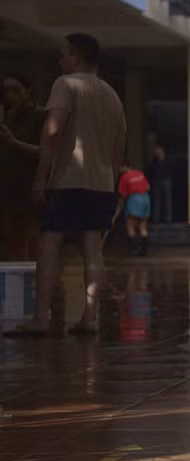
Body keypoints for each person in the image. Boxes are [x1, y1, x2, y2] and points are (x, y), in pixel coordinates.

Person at [4, 33, 126, 338]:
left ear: (75, 56)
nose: (60, 60)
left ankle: (41, 318)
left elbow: (53, 131)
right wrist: (111, 187)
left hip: (68, 180)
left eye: (63, 54)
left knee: (48, 245)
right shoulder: (112, 94)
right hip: (101, 184)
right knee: (92, 250)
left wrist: (41, 177)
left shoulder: (65, 84)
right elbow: (118, 148)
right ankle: (90, 317)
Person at [0, 74, 46, 262]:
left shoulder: (40, 116)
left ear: (27, 91)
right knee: (12, 237)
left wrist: (14, 143)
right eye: (6, 91)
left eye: (15, 90)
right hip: (8, 185)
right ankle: (18, 286)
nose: (11, 95)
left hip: (30, 184)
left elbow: (46, 152)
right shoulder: (7, 117)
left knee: (34, 237)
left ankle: (43, 284)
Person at [117, 160, 152, 256]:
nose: (119, 170)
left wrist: (120, 206)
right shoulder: (140, 173)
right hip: (145, 199)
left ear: (124, 166)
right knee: (142, 228)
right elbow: (148, 187)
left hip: (134, 199)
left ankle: (132, 251)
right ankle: (144, 251)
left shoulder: (124, 177)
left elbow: (123, 195)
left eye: (120, 167)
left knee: (130, 227)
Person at [147, 143, 173, 224]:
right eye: (155, 151)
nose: (156, 152)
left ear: (162, 151)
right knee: (156, 201)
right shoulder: (153, 161)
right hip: (156, 181)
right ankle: (155, 219)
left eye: (158, 150)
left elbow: (172, 170)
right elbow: (150, 170)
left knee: (167, 200)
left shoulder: (168, 160)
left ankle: (167, 219)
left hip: (166, 180)